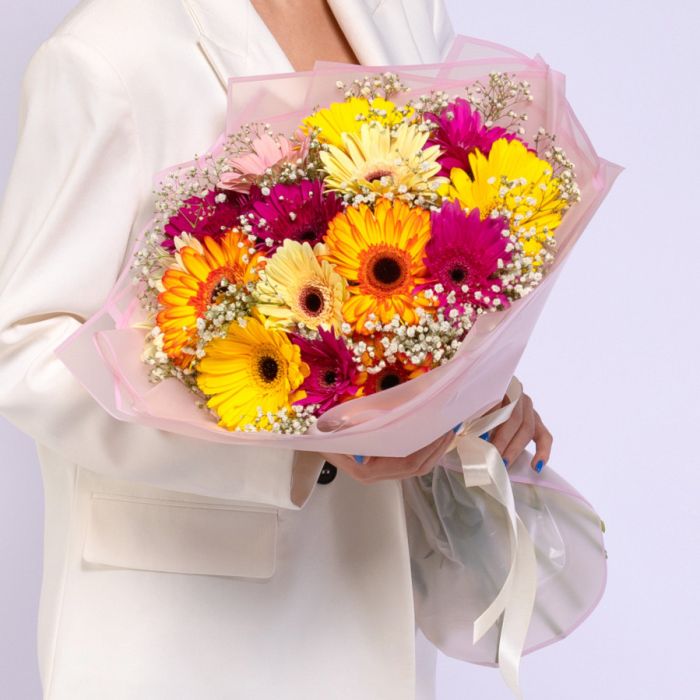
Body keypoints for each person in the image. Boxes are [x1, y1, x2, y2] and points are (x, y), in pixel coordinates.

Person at [0, 1, 553, 698]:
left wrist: (479, 390)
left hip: (371, 592)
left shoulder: (405, 11)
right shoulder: (106, 51)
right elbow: (23, 349)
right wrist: (291, 444)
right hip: (185, 630)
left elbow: (423, 258)